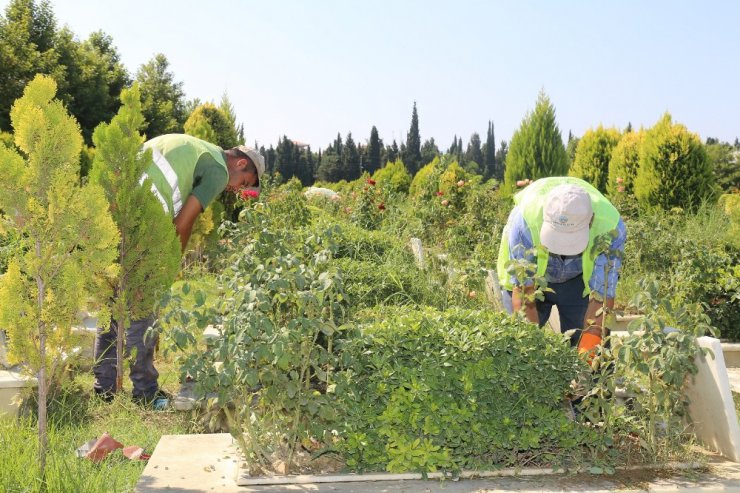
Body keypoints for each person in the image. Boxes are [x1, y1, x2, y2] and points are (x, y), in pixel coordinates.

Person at [93, 134, 265, 406]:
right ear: (241, 163)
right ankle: (145, 393)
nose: (236, 189)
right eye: (243, 182)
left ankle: (104, 388)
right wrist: (170, 263)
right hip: (146, 220)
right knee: (142, 308)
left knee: (115, 304)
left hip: (118, 206)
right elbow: (184, 221)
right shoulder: (219, 170)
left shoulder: (194, 145)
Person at [496, 176, 627, 354]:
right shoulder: (525, 221)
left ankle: (593, 378)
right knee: (517, 348)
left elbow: (602, 296)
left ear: (591, 221)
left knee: (593, 352)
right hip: (533, 280)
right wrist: (530, 350)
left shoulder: (611, 227)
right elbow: (525, 294)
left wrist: (588, 350)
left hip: (576, 281)